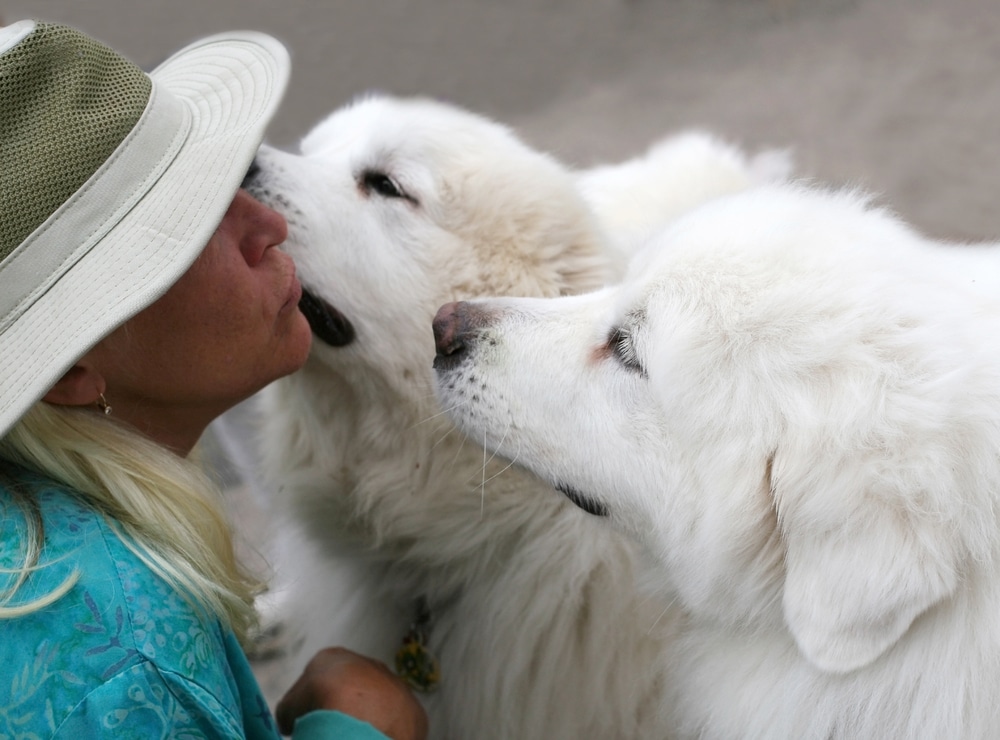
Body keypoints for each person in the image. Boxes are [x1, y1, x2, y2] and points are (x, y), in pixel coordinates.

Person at [0, 19, 428, 740]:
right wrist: (359, 731)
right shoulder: (118, 669)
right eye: (192, 228)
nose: (268, 226)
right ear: (73, 369)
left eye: (232, 188)